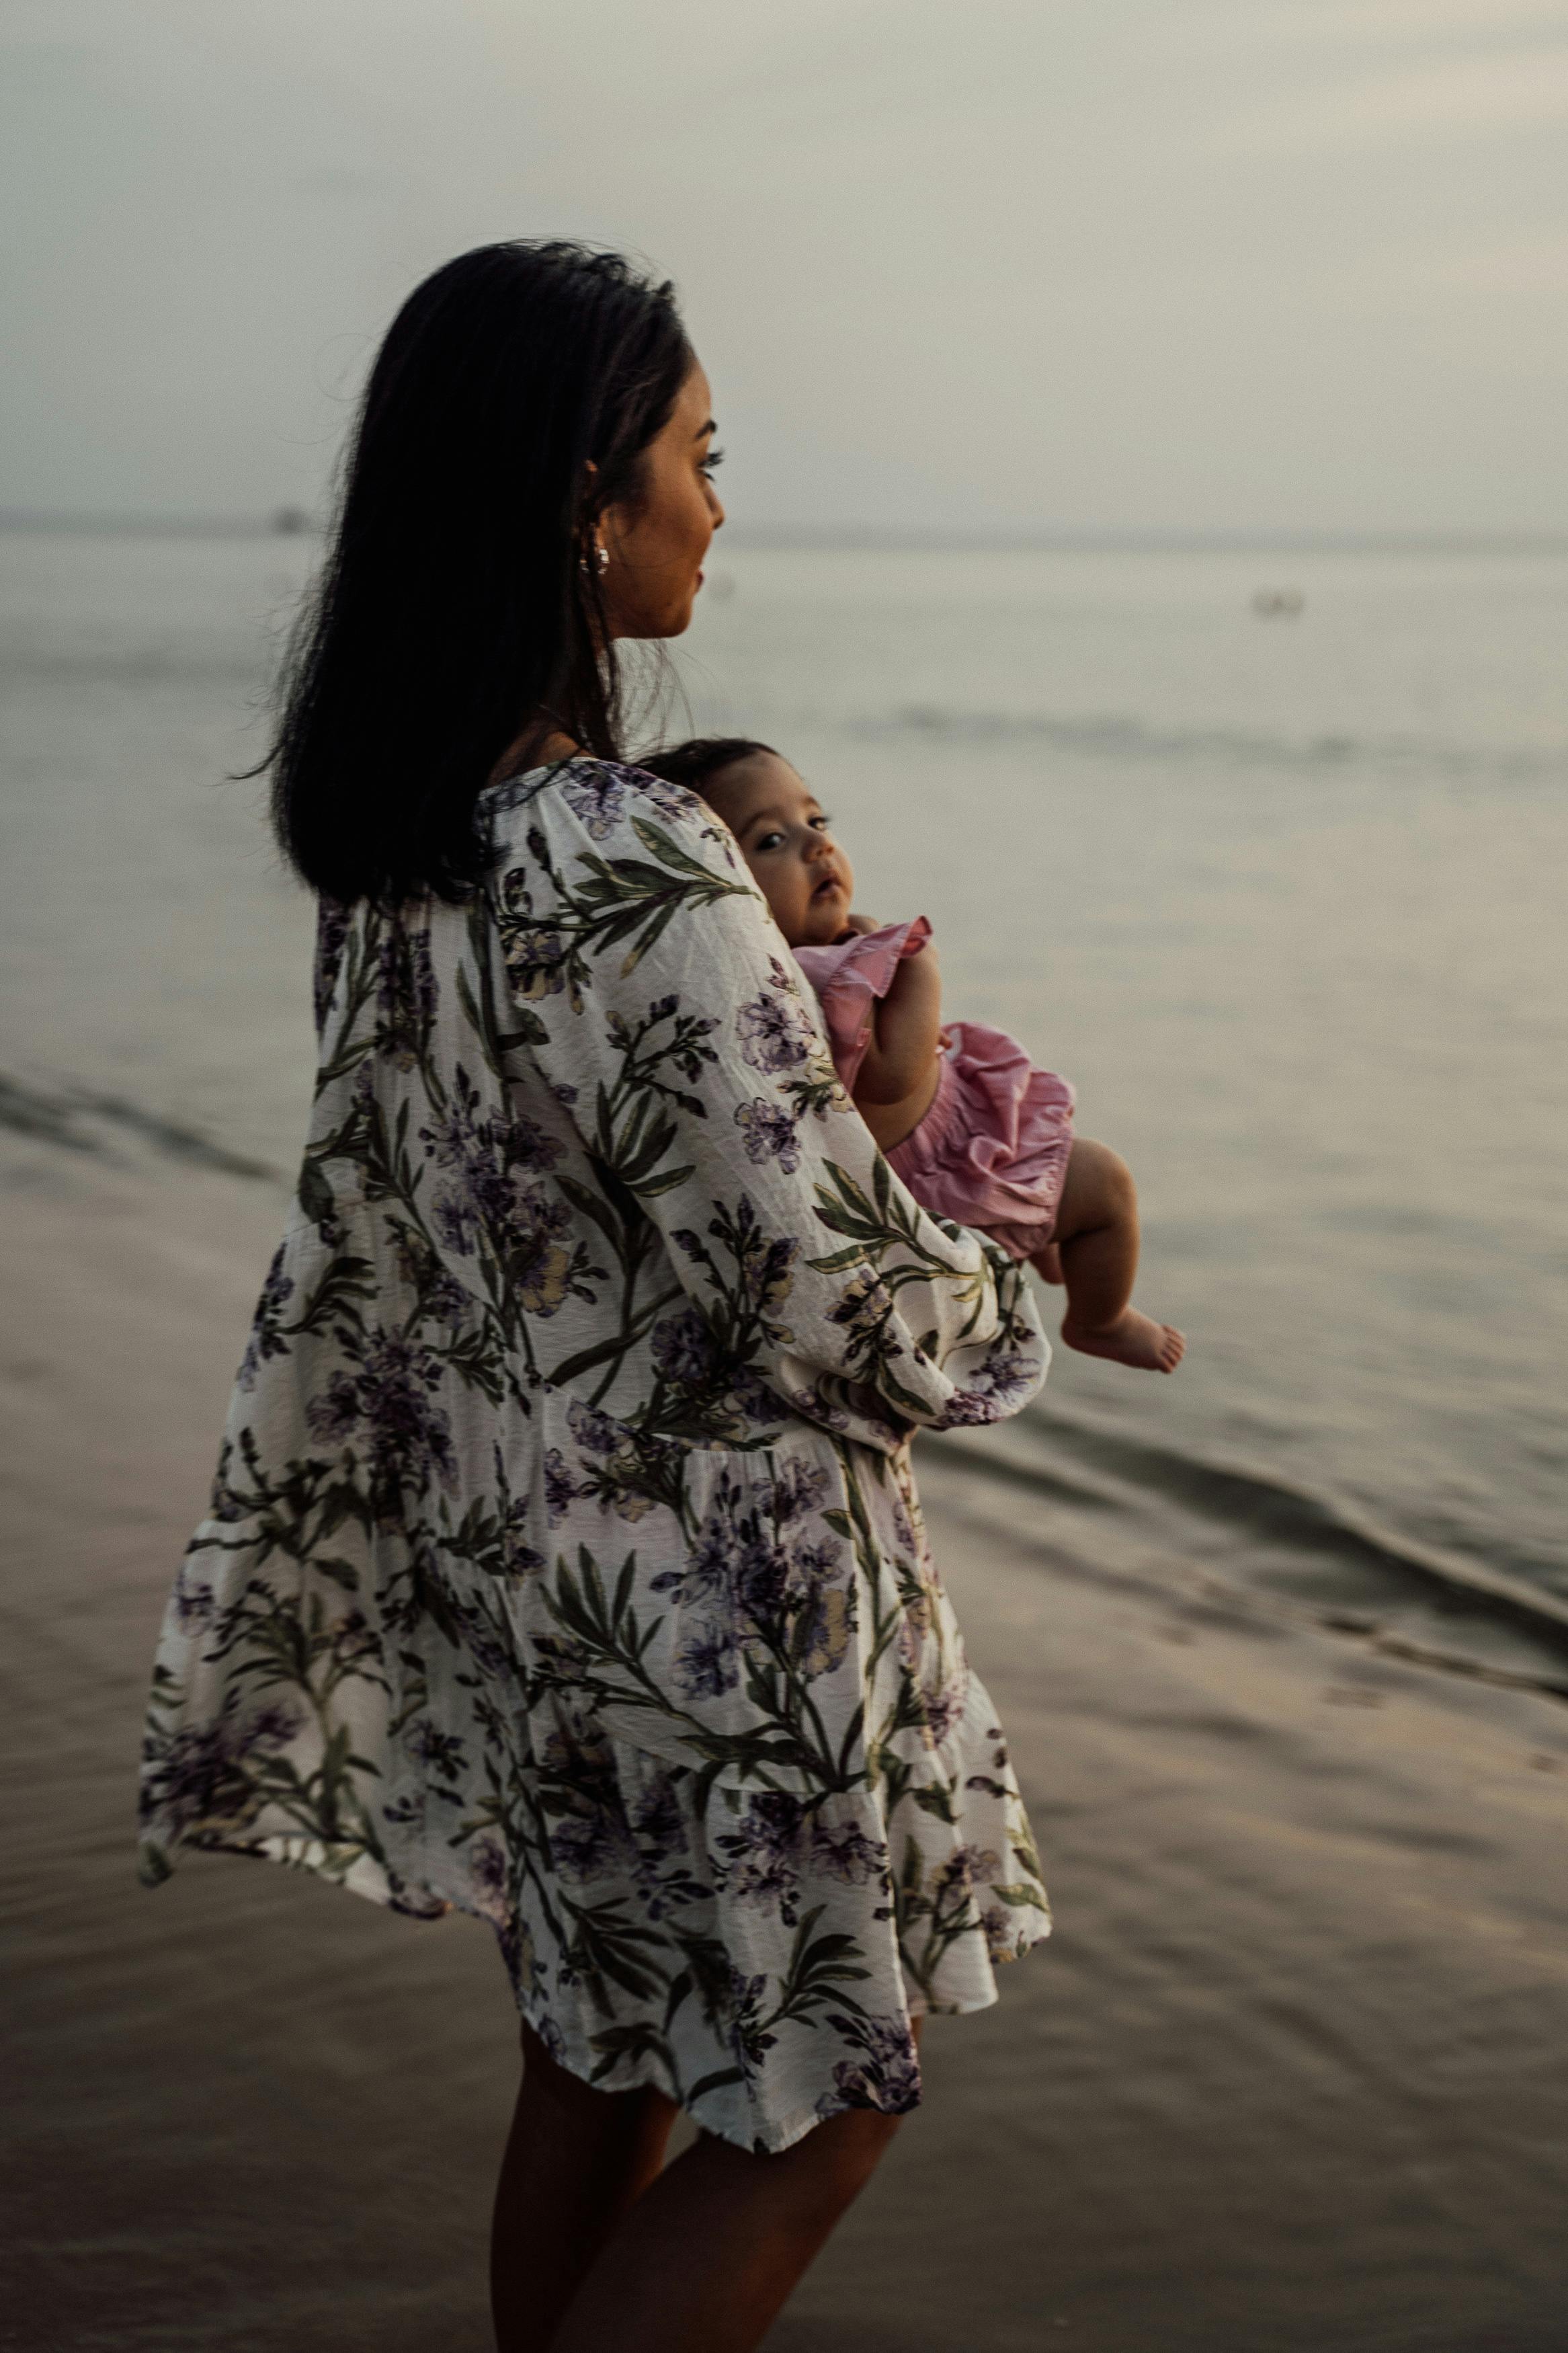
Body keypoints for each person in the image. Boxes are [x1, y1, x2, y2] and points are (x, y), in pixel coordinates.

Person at [136, 242, 1053, 2353]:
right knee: (827, 2101)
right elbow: (813, 1282)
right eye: (698, 460)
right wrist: (1009, 1279)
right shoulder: (633, 854)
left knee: (602, 2047)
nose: (717, 508)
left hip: (536, 1594)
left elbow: (422, 1237)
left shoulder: (402, 863)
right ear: (584, 494)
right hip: (723, 1616)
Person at [638, 740, 1185, 1375]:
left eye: (815, 822)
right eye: (769, 842)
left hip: (948, 1149)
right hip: (943, 1180)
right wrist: (915, 963)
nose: (816, 846)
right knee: (1107, 1184)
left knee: (1065, 1178)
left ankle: (1041, 1230)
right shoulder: (815, 977)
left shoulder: (766, 977)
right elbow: (896, 1074)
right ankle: (1100, 1319)